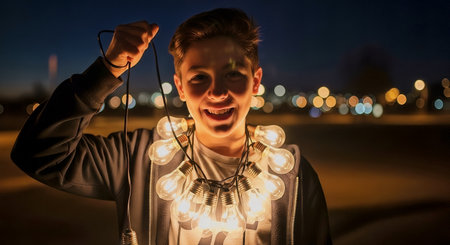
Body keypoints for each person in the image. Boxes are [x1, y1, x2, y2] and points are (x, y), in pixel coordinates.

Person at [11, 8, 331, 245]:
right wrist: (106, 70)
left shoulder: (292, 176)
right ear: (179, 87)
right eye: (199, 77)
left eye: (233, 74)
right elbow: (38, 153)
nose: (217, 92)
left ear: (256, 81)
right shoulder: (138, 158)